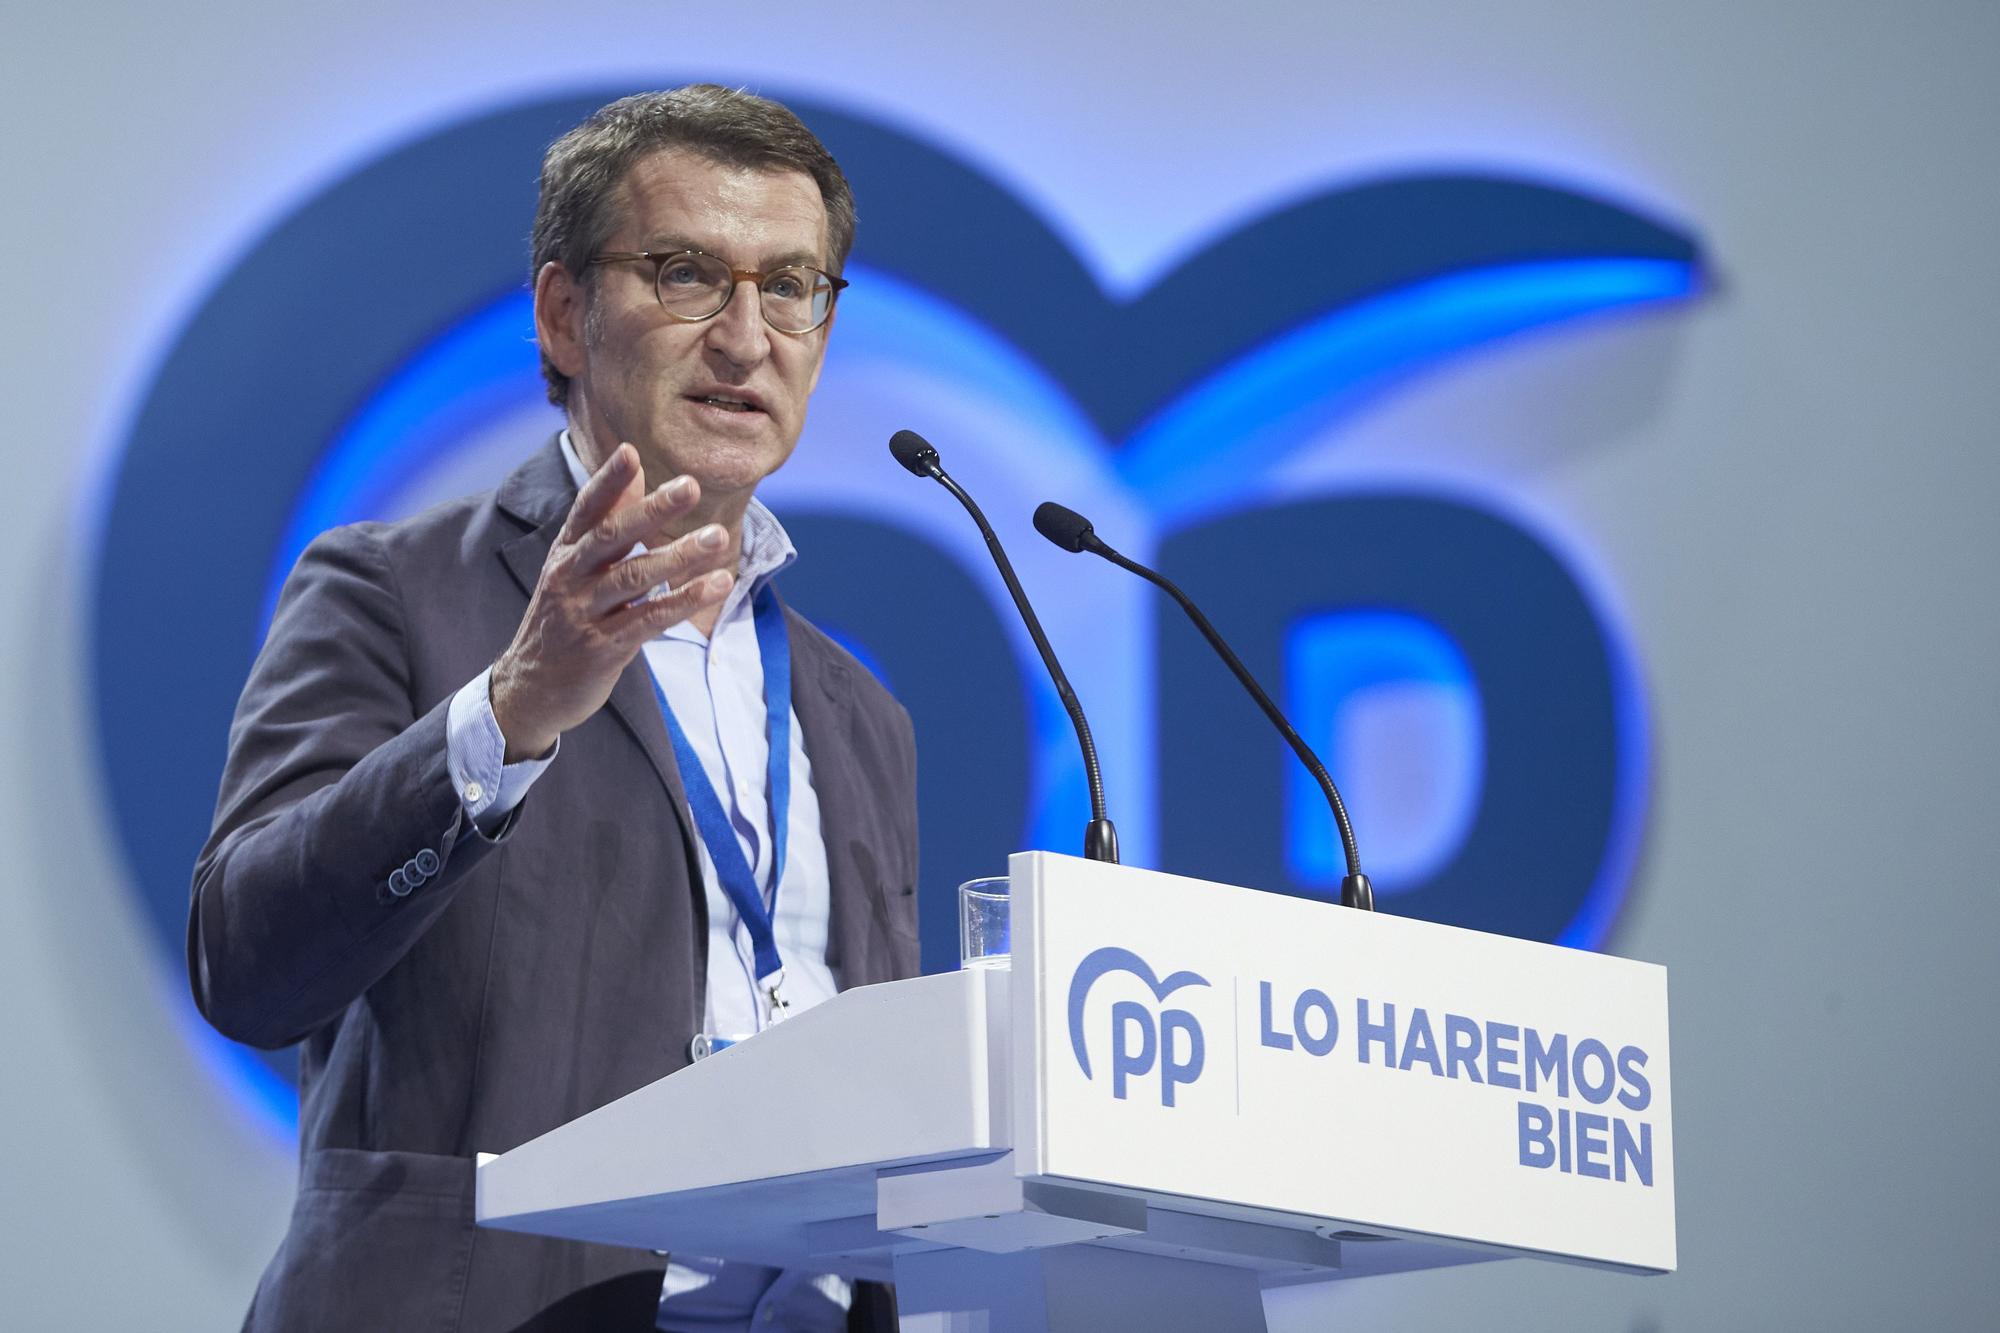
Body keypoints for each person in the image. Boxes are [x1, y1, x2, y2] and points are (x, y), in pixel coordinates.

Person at [190, 86, 919, 1332]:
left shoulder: (860, 715)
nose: (747, 338)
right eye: (687, 274)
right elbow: (250, 964)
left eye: (792, 285)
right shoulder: (392, 593)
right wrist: (513, 712)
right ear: (565, 314)